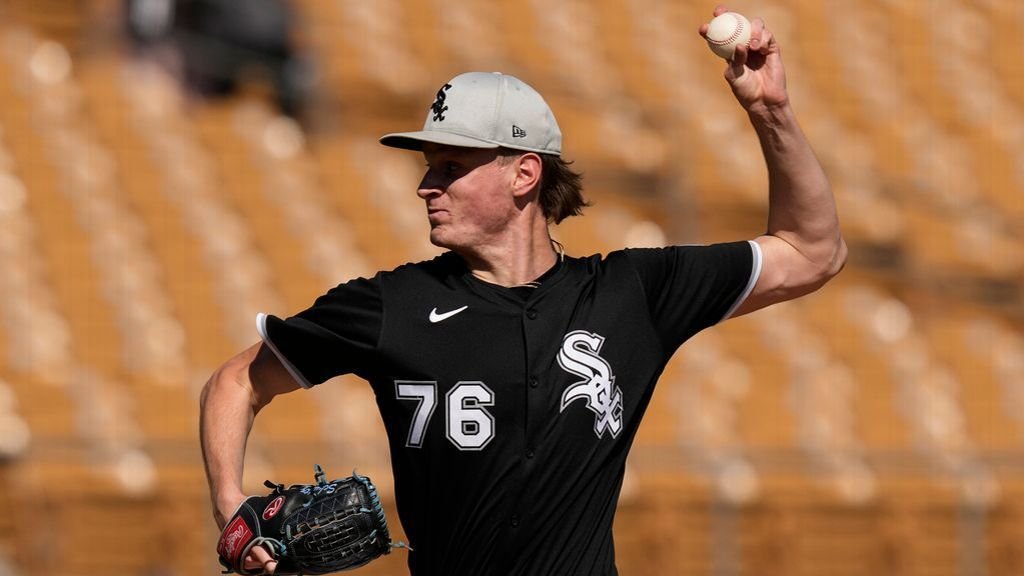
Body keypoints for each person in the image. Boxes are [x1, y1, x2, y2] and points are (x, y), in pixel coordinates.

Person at [200, 7, 847, 575]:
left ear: (524, 174)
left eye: (451, 166)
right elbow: (236, 382)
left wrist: (771, 112)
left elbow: (813, 252)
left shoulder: (632, 294)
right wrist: (230, 503)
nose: (426, 185)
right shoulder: (391, 305)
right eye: (429, 165)